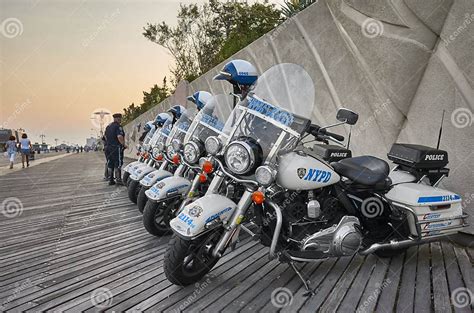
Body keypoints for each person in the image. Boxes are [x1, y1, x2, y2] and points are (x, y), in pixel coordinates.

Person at [104, 113, 127, 185]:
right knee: (118, 163)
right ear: (118, 118)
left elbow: (104, 137)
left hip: (108, 148)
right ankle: (118, 180)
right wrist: (123, 144)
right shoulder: (118, 126)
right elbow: (119, 136)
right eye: (120, 118)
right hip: (116, 148)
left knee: (110, 163)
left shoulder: (108, 126)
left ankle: (111, 180)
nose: (121, 120)